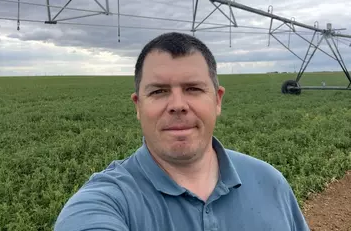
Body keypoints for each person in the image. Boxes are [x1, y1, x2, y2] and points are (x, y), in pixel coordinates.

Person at [54, 32, 310, 231]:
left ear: (217, 100)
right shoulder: (108, 201)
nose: (177, 105)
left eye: (193, 89)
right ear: (138, 106)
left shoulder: (269, 182)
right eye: (158, 91)